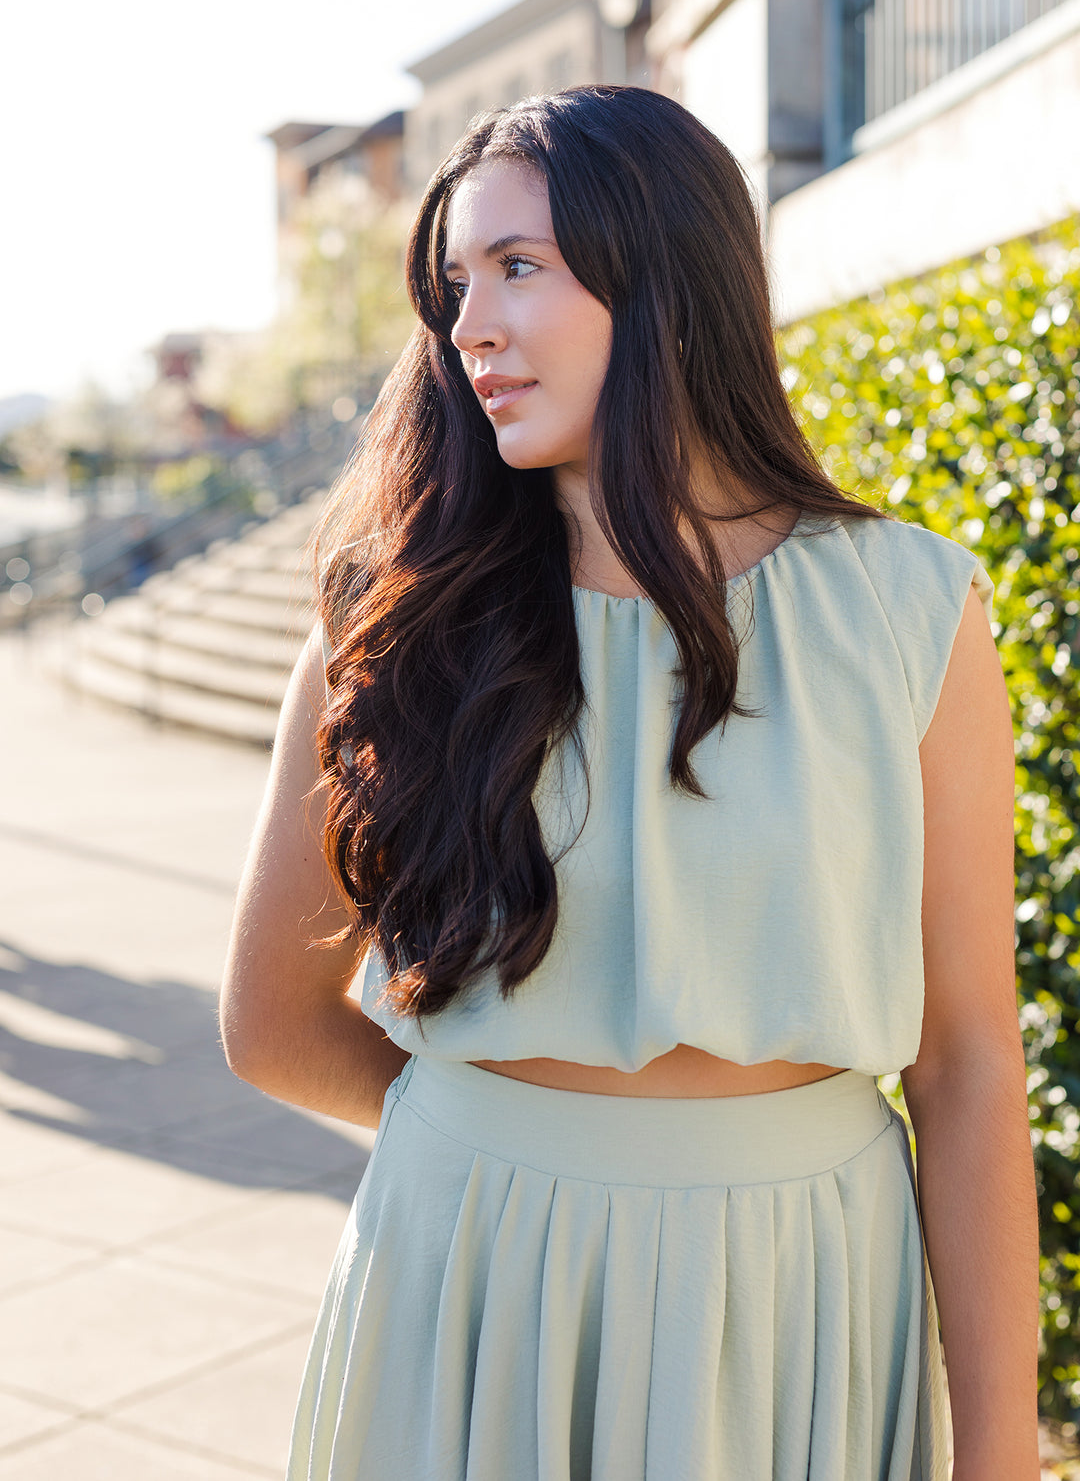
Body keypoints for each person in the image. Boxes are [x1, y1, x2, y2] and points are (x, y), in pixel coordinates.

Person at [220, 86, 1040, 1480]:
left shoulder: (909, 605)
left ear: (664, 270)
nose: (469, 323)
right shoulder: (395, 613)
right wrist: (511, 1144)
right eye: (456, 282)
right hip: (472, 1278)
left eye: (520, 267)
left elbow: (969, 1067)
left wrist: (1000, 1453)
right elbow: (270, 1023)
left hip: (806, 1292)